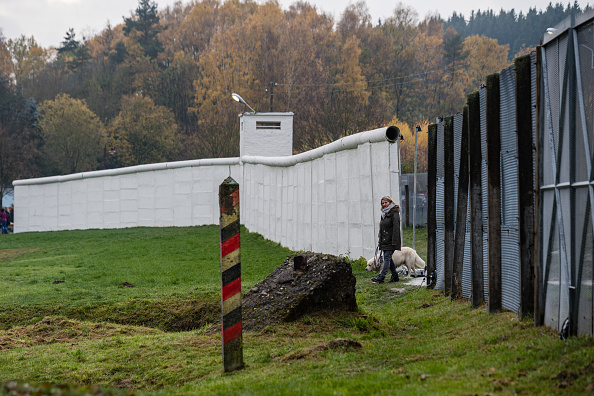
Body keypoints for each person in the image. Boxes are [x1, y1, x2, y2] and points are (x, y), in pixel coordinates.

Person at [371, 196, 401, 284]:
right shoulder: (384, 214)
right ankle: (395, 276)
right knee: (388, 258)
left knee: (387, 258)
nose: (384, 205)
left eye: (386, 203)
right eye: (382, 203)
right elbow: (382, 228)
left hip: (391, 241)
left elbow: (396, 228)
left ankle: (381, 277)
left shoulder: (394, 213)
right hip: (384, 240)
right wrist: (380, 240)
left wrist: (394, 241)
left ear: (390, 202)